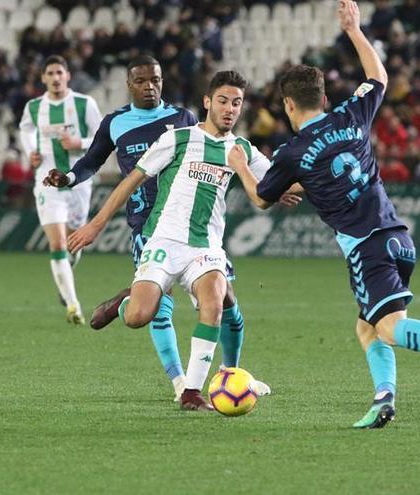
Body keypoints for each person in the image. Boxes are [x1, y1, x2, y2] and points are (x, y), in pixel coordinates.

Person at [227, 1, 420, 429]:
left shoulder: (291, 153)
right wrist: (353, 30)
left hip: (366, 248)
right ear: (325, 98)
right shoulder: (351, 115)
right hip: (399, 239)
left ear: (288, 105)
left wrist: (240, 163)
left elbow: (260, 198)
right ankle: (384, 399)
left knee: (386, 329)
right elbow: (378, 77)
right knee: (367, 328)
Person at [44, 56, 266, 402]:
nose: (150, 86)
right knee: (147, 313)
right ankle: (178, 376)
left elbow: (236, 167)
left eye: (156, 80)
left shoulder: (183, 121)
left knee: (224, 301)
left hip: (197, 230)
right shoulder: (117, 122)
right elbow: (94, 161)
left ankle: (216, 379)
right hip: (149, 224)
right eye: (142, 80)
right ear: (129, 84)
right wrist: (71, 181)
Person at [18, 55, 102, 324]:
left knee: (74, 244)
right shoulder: (33, 107)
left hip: (78, 181)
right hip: (47, 181)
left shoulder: (84, 103)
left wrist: (80, 142)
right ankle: (73, 305)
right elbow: (26, 131)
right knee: (57, 243)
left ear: (67, 75)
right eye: (50, 73)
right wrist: (31, 152)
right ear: (43, 78)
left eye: (59, 72)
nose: (55, 78)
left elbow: (102, 139)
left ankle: (66, 272)